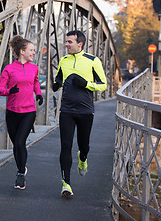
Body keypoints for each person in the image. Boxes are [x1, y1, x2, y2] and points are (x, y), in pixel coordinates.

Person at [52, 30, 107, 197]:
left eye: (69, 42)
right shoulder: (64, 60)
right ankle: (66, 183)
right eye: (66, 41)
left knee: (84, 146)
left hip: (85, 111)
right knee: (65, 146)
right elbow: (59, 79)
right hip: (67, 110)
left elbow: (103, 84)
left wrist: (86, 84)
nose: (66, 44)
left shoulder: (92, 60)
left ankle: (82, 159)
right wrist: (56, 84)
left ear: (80, 44)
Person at [0, 35, 43, 190]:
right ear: (22, 52)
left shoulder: (34, 68)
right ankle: (21, 168)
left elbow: (35, 82)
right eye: (31, 50)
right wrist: (10, 91)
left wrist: (39, 94)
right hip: (12, 111)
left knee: (19, 142)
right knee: (15, 145)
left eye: (34, 50)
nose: (34, 53)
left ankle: (21, 174)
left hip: (29, 111)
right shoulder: (9, 69)